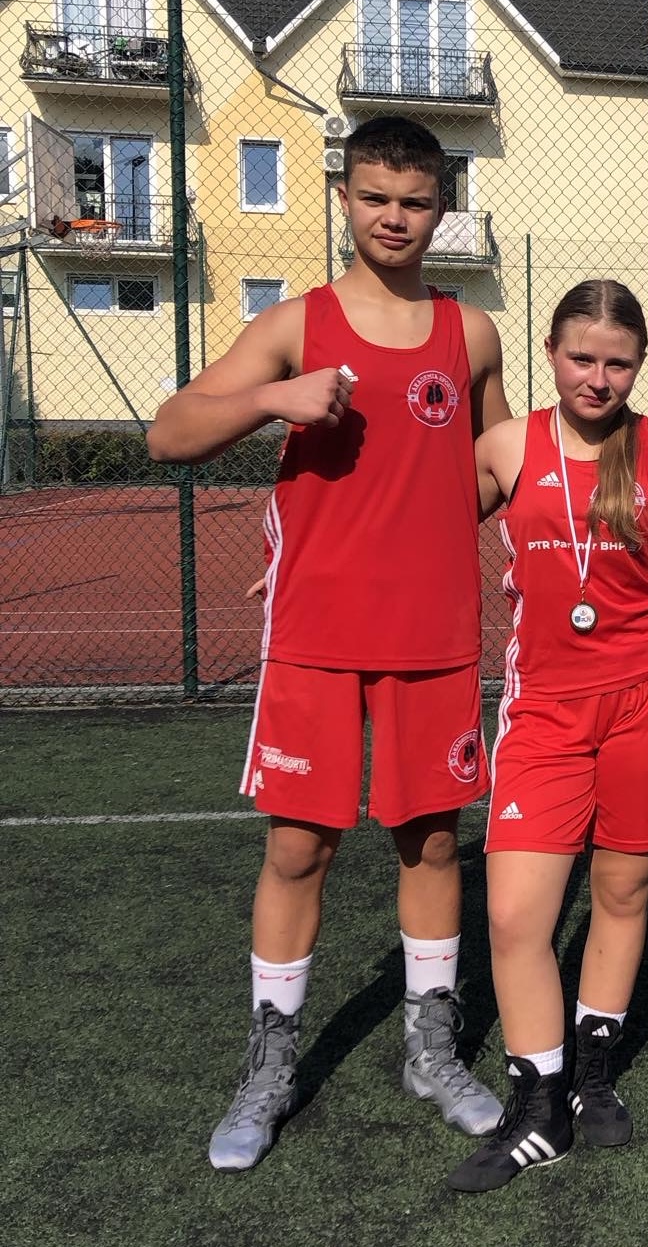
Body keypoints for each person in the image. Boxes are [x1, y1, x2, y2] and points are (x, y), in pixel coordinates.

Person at [146, 116, 512, 1172]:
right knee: (298, 846)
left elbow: (495, 463)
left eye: (416, 200)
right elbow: (169, 431)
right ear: (344, 199)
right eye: (376, 197)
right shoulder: (295, 324)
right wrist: (274, 400)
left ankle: (430, 1050)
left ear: (442, 207)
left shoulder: (471, 333)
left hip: (434, 633)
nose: (395, 217)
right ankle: (270, 1066)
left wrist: (424, 531)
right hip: (317, 635)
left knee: (431, 842)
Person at [447, 279, 648, 1192]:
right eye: (582, 357)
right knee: (514, 916)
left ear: (638, 364)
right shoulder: (507, 446)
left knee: (622, 890)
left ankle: (591, 1071)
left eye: (618, 362)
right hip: (545, 708)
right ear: (550, 352)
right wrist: (307, 556)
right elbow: (414, 528)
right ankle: (537, 1107)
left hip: (647, 700)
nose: (598, 378)